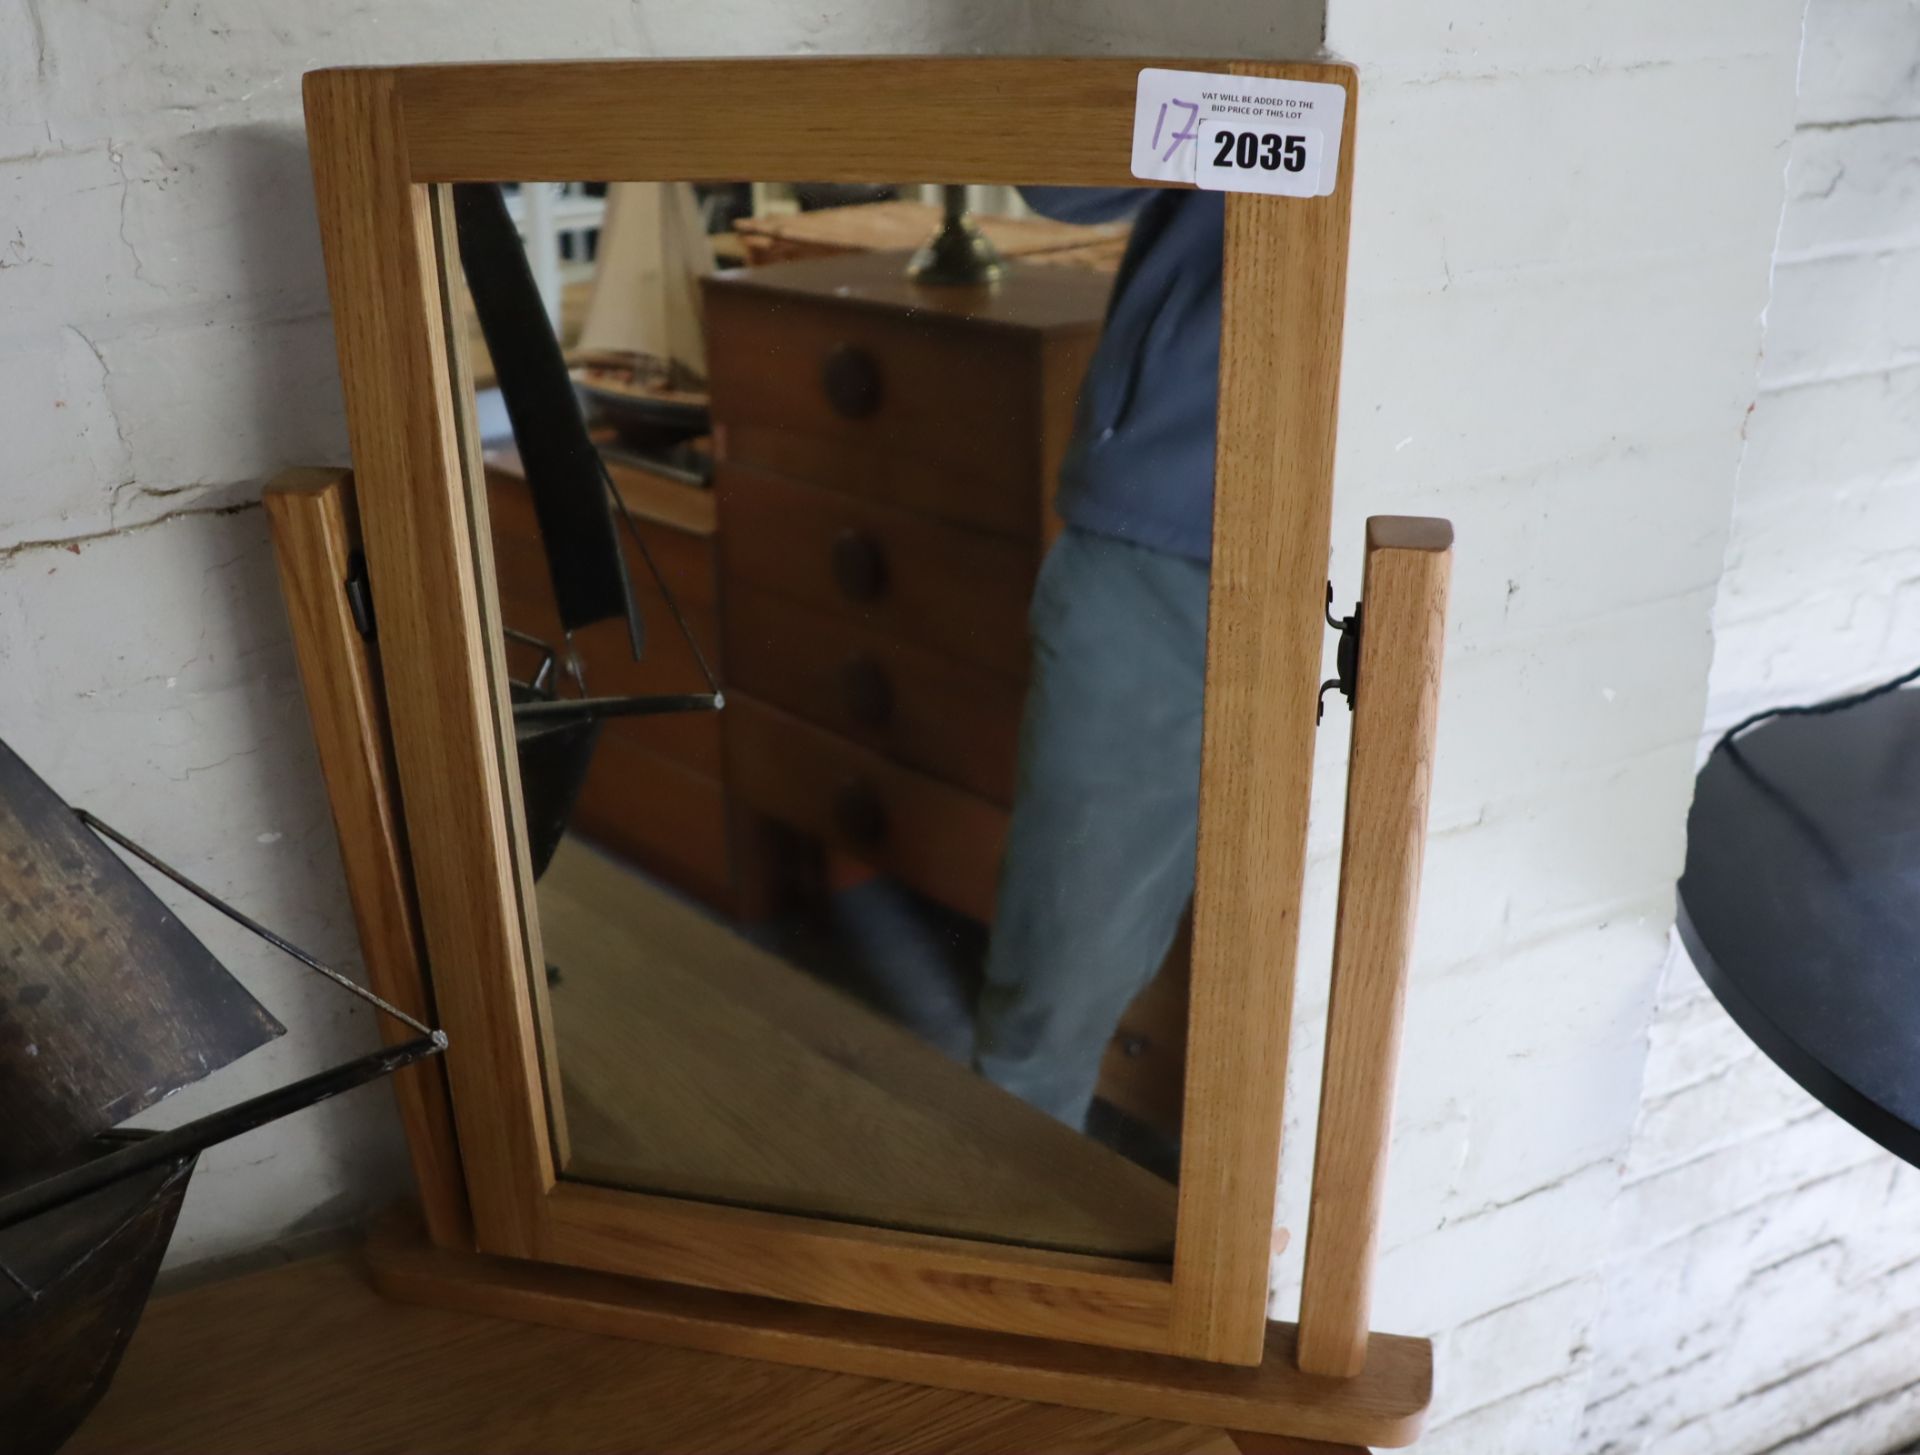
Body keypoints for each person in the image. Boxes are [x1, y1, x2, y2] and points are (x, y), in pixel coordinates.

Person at [971, 186, 1225, 1130]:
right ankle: (1006, 1252)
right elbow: (1064, 183)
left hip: (1417, 535)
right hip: (1163, 537)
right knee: (1052, 989)